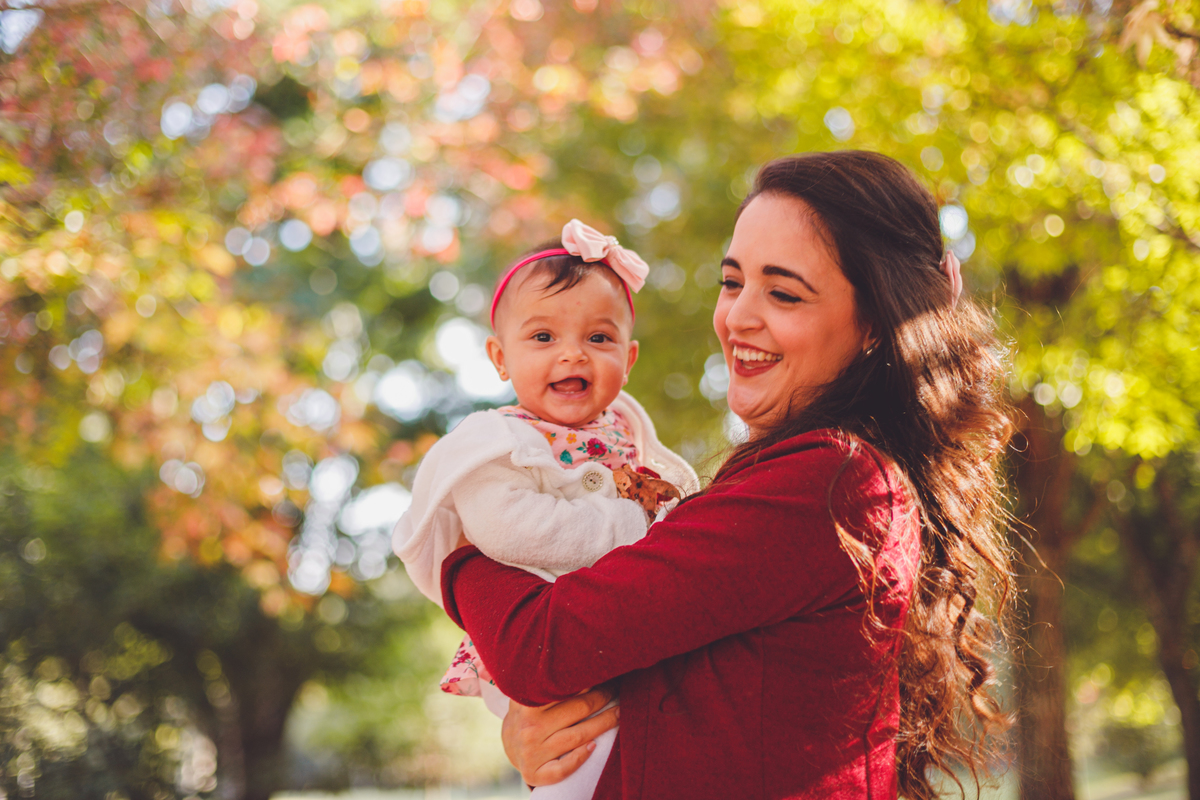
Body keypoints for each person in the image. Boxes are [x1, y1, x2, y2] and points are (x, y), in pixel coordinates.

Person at [439, 151, 1014, 799]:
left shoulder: (830, 484)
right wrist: (541, 732)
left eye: (784, 293)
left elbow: (541, 647)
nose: (739, 316)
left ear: (876, 321)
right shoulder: (802, 478)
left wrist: (455, 550)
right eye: (733, 281)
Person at [392, 219, 699, 800]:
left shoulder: (632, 439)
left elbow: (683, 513)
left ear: (629, 358)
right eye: (542, 338)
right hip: (538, 630)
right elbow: (507, 530)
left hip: (620, 637)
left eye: (599, 339)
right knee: (574, 759)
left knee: (633, 752)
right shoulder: (496, 444)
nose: (572, 354)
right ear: (499, 358)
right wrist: (635, 527)